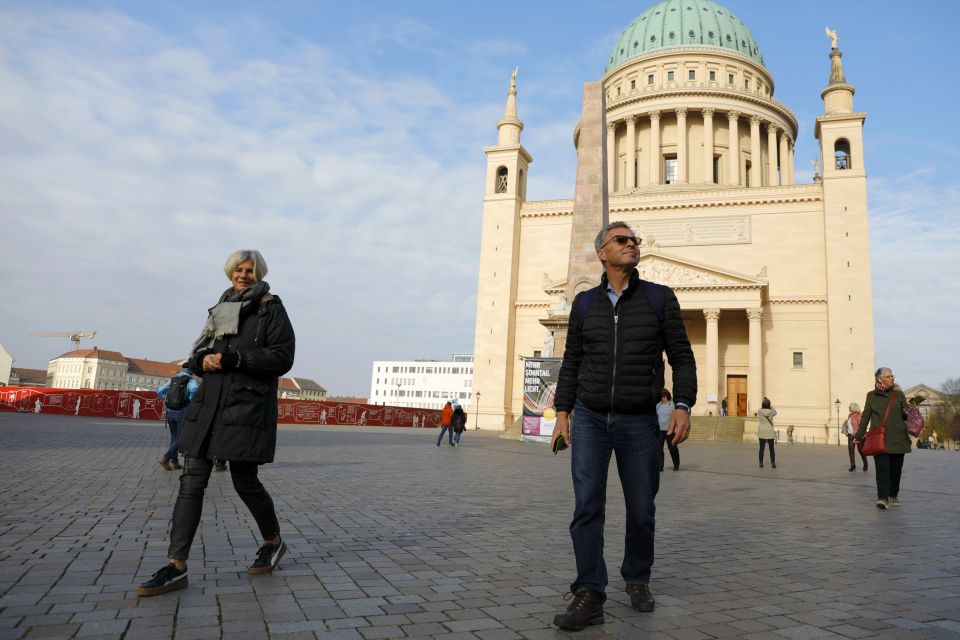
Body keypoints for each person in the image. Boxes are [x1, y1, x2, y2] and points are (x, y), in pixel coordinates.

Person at [550, 222, 697, 631]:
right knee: (586, 507)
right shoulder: (583, 304)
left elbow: (682, 357)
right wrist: (563, 413)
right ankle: (590, 592)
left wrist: (682, 405)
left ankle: (636, 578)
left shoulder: (659, 298)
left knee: (642, 508)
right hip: (591, 418)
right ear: (602, 253)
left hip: (638, 420)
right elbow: (571, 363)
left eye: (634, 240)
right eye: (622, 240)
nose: (631, 245)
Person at [137, 249, 295, 597]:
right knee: (191, 481)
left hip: (244, 408)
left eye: (250, 270)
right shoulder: (221, 309)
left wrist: (235, 358)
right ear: (230, 273)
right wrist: (200, 360)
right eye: (238, 269)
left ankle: (273, 540)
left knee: (244, 481)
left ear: (259, 274)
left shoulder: (271, 308)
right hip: (208, 406)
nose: (244, 275)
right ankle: (176, 566)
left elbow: (283, 357)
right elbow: (197, 354)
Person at [854, 367, 910, 510]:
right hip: (880, 439)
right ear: (880, 379)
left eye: (892, 376)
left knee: (896, 470)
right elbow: (865, 417)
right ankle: (882, 498)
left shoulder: (898, 395)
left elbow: (906, 416)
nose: (892, 378)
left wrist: (910, 409)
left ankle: (893, 494)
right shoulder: (871, 396)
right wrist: (859, 436)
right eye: (889, 376)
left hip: (898, 438)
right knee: (882, 469)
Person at [156, 363, 199, 471]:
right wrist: (191, 402)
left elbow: (159, 390)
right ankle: (166, 458)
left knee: (174, 437)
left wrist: (165, 399)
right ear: (191, 371)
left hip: (170, 412)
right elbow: (194, 391)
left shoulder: (173, 380)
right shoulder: (191, 381)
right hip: (182, 412)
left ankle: (174, 462)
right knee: (181, 438)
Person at [656, 390, 680, 471]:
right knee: (659, 448)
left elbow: (675, 417)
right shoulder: (659, 405)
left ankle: (676, 464)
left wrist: (676, 428)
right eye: (662, 397)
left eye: (664, 396)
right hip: (660, 430)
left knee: (672, 447)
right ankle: (660, 466)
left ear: (667, 396)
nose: (663, 398)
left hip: (670, 430)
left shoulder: (671, 404)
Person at [844, 402, 867, 472]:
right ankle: (852, 465)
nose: (849, 407)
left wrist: (858, 435)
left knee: (861, 451)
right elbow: (849, 424)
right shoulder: (850, 415)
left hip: (858, 436)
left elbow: (861, 426)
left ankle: (865, 464)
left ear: (854, 407)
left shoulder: (859, 415)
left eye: (850, 406)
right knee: (851, 451)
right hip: (850, 435)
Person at [757, 397, 777, 468]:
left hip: (762, 431)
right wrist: (770, 405)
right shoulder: (771, 412)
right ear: (769, 405)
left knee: (761, 449)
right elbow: (775, 411)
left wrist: (764, 402)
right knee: (771, 449)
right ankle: (773, 463)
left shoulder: (759, 411)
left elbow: (760, 409)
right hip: (770, 431)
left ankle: (761, 463)